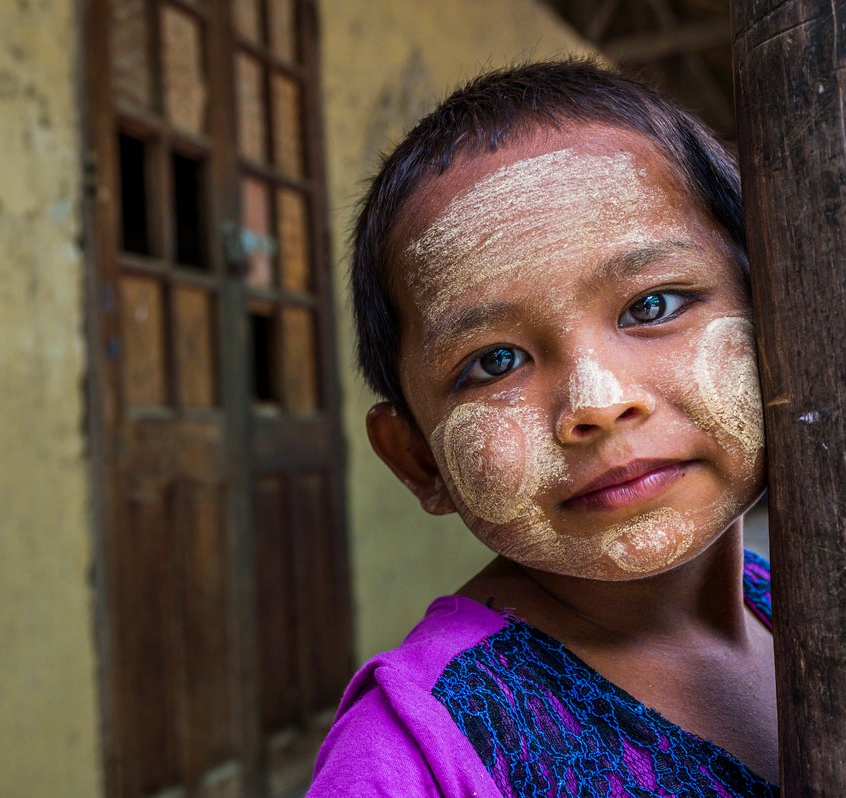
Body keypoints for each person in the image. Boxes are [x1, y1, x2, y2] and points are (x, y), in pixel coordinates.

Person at [308, 59, 777, 796]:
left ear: (776, 319)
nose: (597, 400)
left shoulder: (804, 598)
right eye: (495, 361)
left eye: (652, 306)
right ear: (418, 460)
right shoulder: (413, 758)